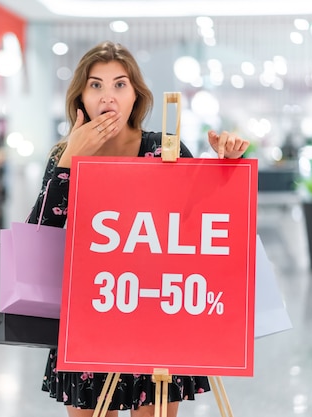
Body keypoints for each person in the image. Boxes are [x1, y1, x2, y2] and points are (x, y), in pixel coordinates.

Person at [26, 41, 249, 417]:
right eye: (96, 85)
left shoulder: (165, 150)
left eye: (119, 84)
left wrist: (224, 166)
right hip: (88, 314)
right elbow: (39, 234)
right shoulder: (64, 153)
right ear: (81, 94)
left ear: (135, 96)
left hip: (156, 310)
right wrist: (70, 159)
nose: (107, 96)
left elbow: (202, 229)